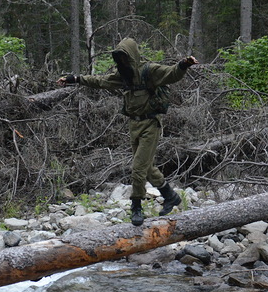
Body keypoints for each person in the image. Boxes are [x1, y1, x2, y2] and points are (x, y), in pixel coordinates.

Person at [58, 38, 197, 226]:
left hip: (150, 124)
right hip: (134, 126)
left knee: (137, 169)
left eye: (125, 58)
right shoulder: (123, 76)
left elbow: (171, 74)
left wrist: (183, 64)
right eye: (119, 59)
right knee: (147, 168)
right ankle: (170, 196)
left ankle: (136, 207)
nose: (122, 63)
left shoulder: (149, 71)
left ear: (132, 57)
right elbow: (100, 81)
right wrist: (75, 79)